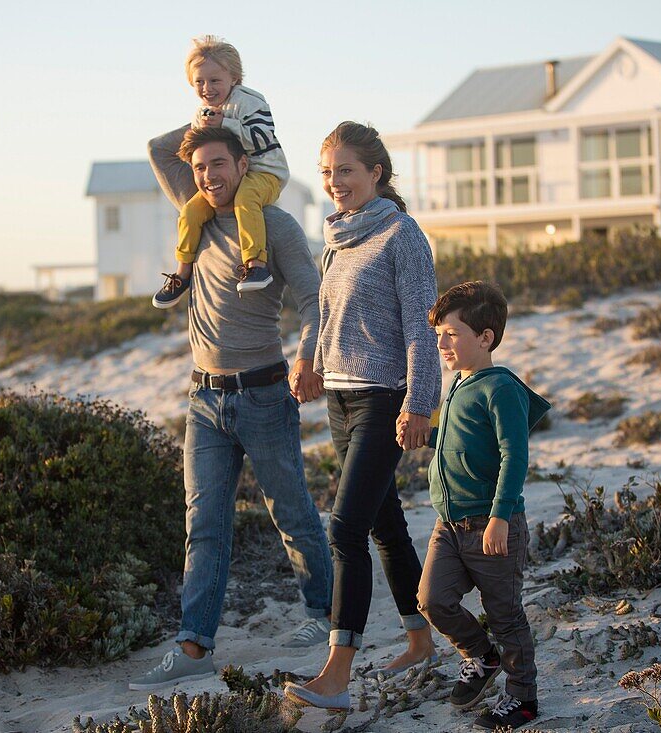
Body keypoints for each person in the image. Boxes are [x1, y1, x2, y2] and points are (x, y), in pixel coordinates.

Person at [128, 124, 332, 690]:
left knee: (291, 513)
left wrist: (306, 358)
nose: (209, 177)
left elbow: (314, 298)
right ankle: (194, 645)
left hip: (265, 393)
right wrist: (204, 115)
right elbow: (155, 149)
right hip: (204, 400)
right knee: (204, 524)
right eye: (200, 167)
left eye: (220, 164)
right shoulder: (194, 212)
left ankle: (324, 615)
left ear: (244, 167)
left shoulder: (275, 226)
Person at [284, 121, 441, 711]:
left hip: (384, 397)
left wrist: (419, 402)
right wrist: (309, 360)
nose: (335, 182)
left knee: (344, 529)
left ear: (377, 172)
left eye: (346, 170)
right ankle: (421, 640)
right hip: (340, 398)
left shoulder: (403, 235)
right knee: (383, 524)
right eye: (327, 172)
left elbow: (421, 330)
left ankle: (337, 674)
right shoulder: (337, 238)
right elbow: (325, 315)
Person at [416, 281, 551, 730]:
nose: (441, 343)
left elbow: (514, 455)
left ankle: (522, 697)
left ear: (485, 338)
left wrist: (499, 518)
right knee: (431, 600)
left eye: (451, 334)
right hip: (449, 524)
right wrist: (426, 436)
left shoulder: (501, 388)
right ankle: (480, 655)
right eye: (439, 333)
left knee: (505, 614)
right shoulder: (459, 384)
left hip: (493, 524)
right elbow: (463, 443)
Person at [152, 35, 289, 308]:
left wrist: (227, 123)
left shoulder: (250, 101)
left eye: (215, 80)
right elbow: (196, 149)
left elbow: (264, 138)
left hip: (265, 172)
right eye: (199, 82)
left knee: (245, 198)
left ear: (234, 78)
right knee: (190, 211)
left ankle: (255, 263)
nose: (207, 88)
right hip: (230, 179)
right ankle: (182, 273)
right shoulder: (201, 112)